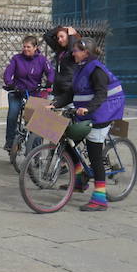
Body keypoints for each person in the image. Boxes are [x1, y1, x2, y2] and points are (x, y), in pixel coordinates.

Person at [55, 37, 125, 211]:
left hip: (103, 113)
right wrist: (55, 104)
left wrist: (88, 108)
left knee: (95, 157)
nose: (73, 52)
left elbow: (101, 94)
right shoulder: (81, 68)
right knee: (68, 144)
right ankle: (79, 180)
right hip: (88, 112)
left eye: (76, 50)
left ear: (86, 52)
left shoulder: (97, 70)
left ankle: (100, 199)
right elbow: (71, 92)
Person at [2, 36, 54, 152]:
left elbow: (50, 72)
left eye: (29, 47)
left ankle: (36, 151)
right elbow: (7, 74)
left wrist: (48, 83)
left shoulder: (42, 60)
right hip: (17, 92)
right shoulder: (16, 59)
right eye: (24, 46)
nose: (26, 49)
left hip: (34, 92)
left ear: (35, 47)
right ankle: (10, 142)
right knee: (12, 115)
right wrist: (11, 85)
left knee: (37, 122)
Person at [43, 25, 80, 107]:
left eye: (62, 37)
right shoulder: (60, 50)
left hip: (69, 90)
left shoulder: (75, 52)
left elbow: (72, 49)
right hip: (57, 89)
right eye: (58, 37)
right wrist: (61, 28)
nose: (59, 40)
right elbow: (46, 36)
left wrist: (71, 35)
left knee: (67, 117)